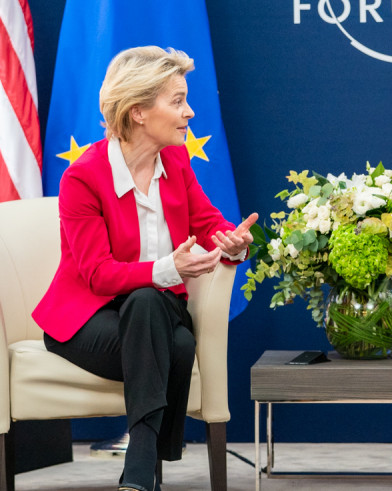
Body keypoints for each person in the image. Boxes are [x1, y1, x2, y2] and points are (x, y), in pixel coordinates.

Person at [32, 46, 257, 491]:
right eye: (177, 101)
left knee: (149, 301)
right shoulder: (82, 177)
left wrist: (234, 244)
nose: (189, 112)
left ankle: (138, 467)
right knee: (175, 342)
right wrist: (169, 267)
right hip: (88, 320)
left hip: (152, 311)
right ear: (137, 111)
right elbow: (97, 275)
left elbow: (209, 223)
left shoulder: (175, 161)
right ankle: (149, 458)